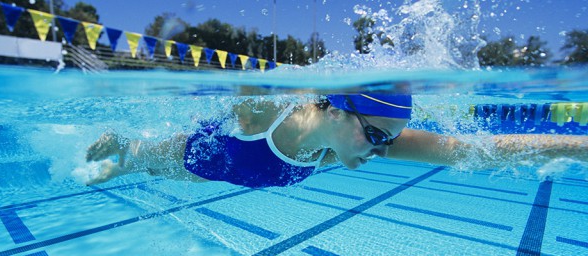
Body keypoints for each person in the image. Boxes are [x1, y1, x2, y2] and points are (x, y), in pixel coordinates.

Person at [85, 93, 587, 187]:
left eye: (384, 141)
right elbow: (208, 110)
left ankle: (119, 158)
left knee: (136, 170)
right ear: (338, 110)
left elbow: (470, 152)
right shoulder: (270, 108)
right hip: (197, 154)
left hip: (228, 177)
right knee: (140, 161)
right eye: (373, 136)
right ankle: (119, 144)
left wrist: (579, 145)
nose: (378, 148)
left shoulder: (358, 138)